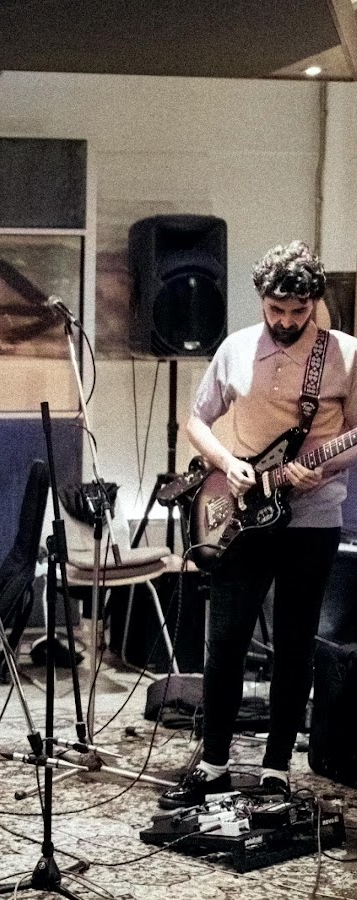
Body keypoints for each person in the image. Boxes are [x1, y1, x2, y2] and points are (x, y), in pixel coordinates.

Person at [160, 240, 357, 809]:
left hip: (313, 519)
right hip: (241, 514)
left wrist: (325, 467)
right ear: (261, 301)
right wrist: (227, 464)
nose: (287, 321)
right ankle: (214, 762)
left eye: (299, 311)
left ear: (314, 303)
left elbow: (355, 434)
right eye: (276, 310)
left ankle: (276, 770)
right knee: (224, 641)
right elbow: (196, 420)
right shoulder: (235, 349)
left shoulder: (345, 354)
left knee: (295, 645)